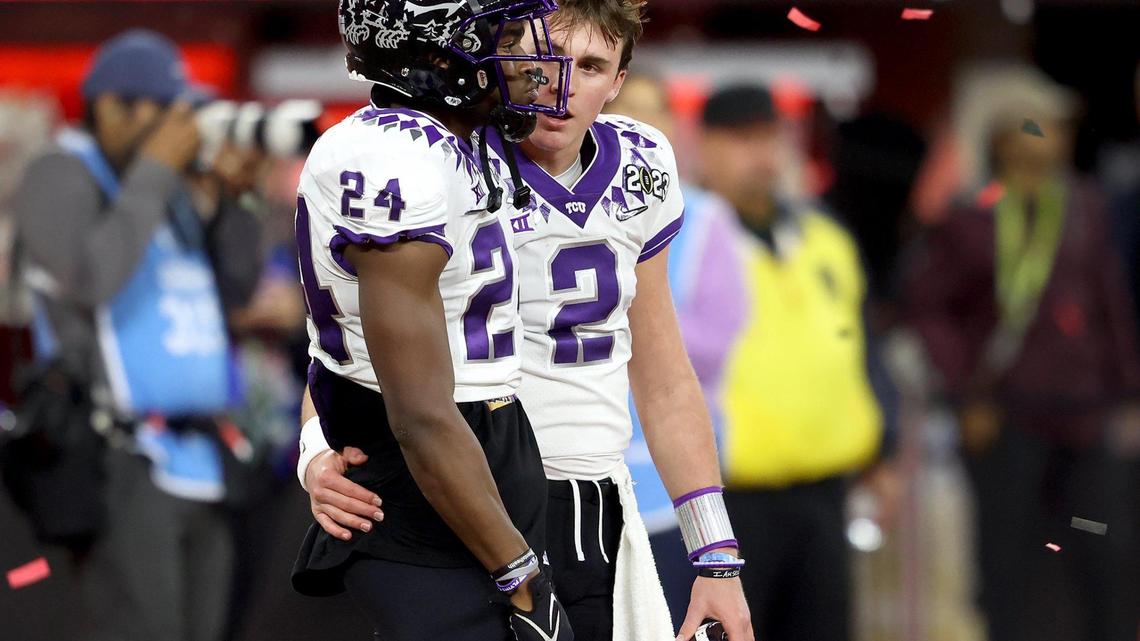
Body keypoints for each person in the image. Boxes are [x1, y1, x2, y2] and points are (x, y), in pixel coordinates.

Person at [299, 2, 754, 640]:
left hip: (595, 496)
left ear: (620, 80)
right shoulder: (441, 150)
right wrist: (318, 449)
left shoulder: (642, 161)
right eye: (547, 60)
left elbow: (662, 373)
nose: (559, 87)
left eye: (592, 66)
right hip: (464, 492)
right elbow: (350, 339)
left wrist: (715, 555)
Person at [289, 2, 575, 640]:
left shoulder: (460, 138)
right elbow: (416, 411)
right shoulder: (394, 158)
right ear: (438, 57)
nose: (528, 57)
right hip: (428, 474)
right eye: (504, 37)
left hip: (479, 454)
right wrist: (521, 576)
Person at [11, 30, 263, 641]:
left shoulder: (164, 191)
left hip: (203, 456)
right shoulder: (59, 171)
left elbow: (234, 290)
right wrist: (156, 171)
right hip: (123, 458)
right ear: (111, 106)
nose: (182, 129)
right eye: (167, 111)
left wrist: (237, 200)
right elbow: (89, 277)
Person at [907, 68, 1140, 641]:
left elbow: (1110, 300)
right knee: (1009, 560)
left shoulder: (1084, 206)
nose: (1055, 140)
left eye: (1061, 128)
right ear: (1004, 138)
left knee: (1104, 550)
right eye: (1040, 127)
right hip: (1006, 418)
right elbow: (931, 310)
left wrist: (1130, 393)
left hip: (1085, 414)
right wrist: (965, 397)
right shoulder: (973, 217)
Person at [695, 84, 896, 641]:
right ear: (703, 146)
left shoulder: (824, 236)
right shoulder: (681, 241)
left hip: (824, 489)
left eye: (769, 137)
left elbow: (861, 348)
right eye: (741, 140)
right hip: (727, 497)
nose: (761, 155)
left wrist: (884, 448)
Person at [603, 70, 749, 626]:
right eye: (621, 113)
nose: (632, 128)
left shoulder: (705, 216)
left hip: (666, 487)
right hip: (567, 483)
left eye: (648, 114)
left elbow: (705, 350)